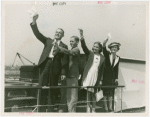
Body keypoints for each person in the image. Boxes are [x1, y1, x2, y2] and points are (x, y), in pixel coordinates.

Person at [30, 14, 68, 112]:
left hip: (55, 68)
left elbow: (65, 60)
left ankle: (50, 111)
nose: (57, 33)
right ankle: (41, 111)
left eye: (60, 33)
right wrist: (34, 22)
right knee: (41, 87)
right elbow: (37, 34)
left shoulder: (64, 46)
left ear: (63, 35)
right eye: (56, 32)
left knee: (52, 88)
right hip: (45, 64)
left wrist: (63, 73)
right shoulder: (48, 40)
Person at [79, 29, 105, 113]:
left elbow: (101, 71)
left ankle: (93, 109)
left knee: (94, 92)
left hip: (96, 76)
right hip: (88, 75)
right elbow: (84, 47)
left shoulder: (102, 58)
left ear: (100, 48)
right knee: (88, 93)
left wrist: (100, 79)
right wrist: (82, 36)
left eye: (97, 47)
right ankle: (88, 108)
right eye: (94, 46)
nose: (94, 48)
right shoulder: (90, 54)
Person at [58, 36, 80, 112]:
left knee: (73, 96)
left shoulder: (76, 50)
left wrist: (59, 48)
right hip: (69, 75)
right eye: (70, 41)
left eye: (72, 41)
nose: (70, 43)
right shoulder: (71, 49)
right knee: (68, 96)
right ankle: (70, 111)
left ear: (77, 42)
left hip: (73, 75)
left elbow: (70, 52)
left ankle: (72, 112)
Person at [102, 38, 121, 112]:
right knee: (105, 92)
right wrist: (105, 42)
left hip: (112, 78)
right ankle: (105, 108)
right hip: (105, 76)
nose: (114, 48)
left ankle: (110, 107)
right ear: (110, 48)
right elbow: (103, 48)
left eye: (115, 47)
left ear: (117, 49)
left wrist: (116, 78)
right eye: (112, 47)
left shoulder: (118, 58)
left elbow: (116, 69)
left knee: (110, 93)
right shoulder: (107, 54)